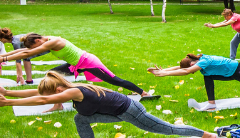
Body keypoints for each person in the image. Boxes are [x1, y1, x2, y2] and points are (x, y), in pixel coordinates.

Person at [0, 72, 216, 138]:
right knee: (80, 119)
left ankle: (206, 135)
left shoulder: (71, 92)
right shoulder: (67, 87)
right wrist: (9, 92)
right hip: (118, 112)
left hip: (130, 111)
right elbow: (40, 93)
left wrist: (9, 104)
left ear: (58, 89)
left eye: (53, 94)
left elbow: (43, 98)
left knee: (167, 129)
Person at [2, 33, 153, 111]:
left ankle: (143, 93)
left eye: (35, 47)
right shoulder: (45, 40)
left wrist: (4, 57)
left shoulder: (53, 41)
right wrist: (3, 56)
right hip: (77, 64)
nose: (35, 50)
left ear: (38, 41)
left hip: (88, 62)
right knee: (53, 76)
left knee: (115, 80)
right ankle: (58, 104)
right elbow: (24, 51)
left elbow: (25, 54)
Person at [148, 54, 240, 111]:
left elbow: (187, 71)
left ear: (192, 63)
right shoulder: (197, 61)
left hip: (237, 69)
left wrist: (164, 74)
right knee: (207, 77)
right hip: (228, 73)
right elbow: (182, 68)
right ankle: (212, 103)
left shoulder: (204, 61)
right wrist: (164, 70)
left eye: (192, 66)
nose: (193, 69)